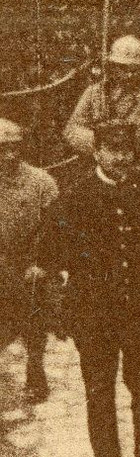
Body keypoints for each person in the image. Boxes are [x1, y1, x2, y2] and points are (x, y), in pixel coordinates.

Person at [34, 121, 140, 457]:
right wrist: (60, 303)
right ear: (97, 153)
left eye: (127, 150)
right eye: (113, 150)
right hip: (94, 315)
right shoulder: (76, 196)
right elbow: (50, 253)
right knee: (99, 389)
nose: (121, 158)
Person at [64, 35, 140, 187]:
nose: (129, 75)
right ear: (113, 66)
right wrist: (102, 142)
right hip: (103, 177)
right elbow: (71, 130)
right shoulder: (95, 94)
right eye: (123, 68)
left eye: (135, 69)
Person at [0, 119, 59, 403]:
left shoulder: (41, 182)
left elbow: (54, 229)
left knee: (35, 313)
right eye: (2, 149)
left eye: (14, 148)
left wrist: (41, 263)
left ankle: (36, 371)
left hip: (30, 261)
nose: (9, 155)